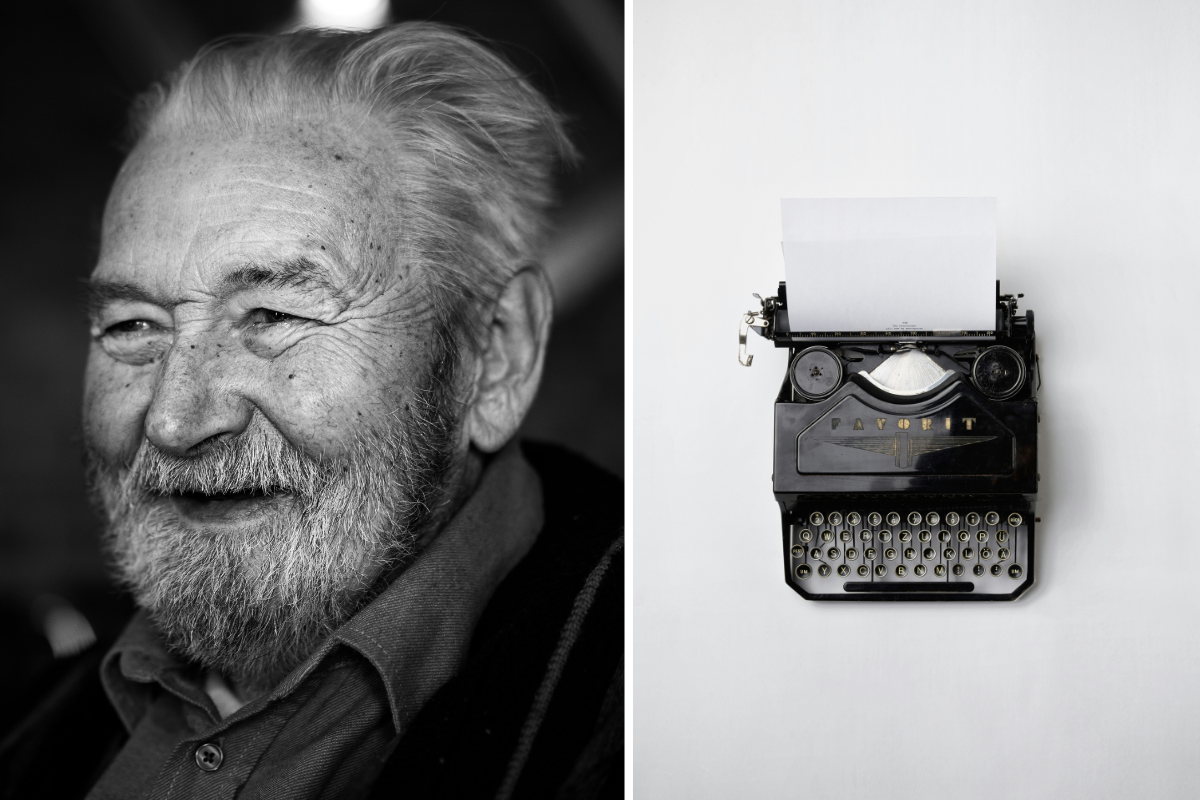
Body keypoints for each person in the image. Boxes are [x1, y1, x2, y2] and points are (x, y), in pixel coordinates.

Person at [0, 22, 622, 800]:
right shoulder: (27, 722)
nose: (174, 420)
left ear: (495, 354)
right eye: (132, 327)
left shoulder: (674, 714)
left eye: (273, 316)